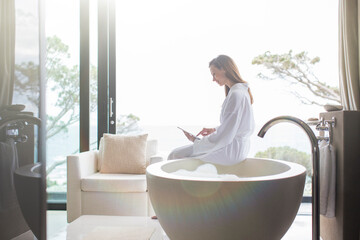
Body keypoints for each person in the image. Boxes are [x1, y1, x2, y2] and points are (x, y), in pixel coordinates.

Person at [168, 55, 255, 165]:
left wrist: (197, 141)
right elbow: (235, 126)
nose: (213, 79)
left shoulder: (236, 94)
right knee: (176, 154)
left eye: (214, 74)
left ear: (223, 69)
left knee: (175, 155)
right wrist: (214, 130)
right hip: (237, 149)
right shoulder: (240, 92)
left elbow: (225, 135)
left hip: (230, 151)